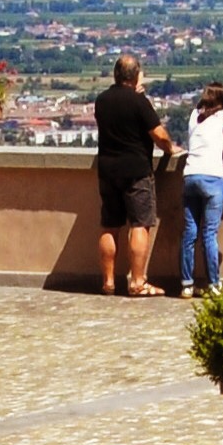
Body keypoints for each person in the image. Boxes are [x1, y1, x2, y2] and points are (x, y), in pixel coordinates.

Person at [92, 55, 166, 297]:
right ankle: (137, 281)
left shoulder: (101, 101)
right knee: (140, 224)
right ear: (135, 76)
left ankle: (108, 282)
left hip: (107, 169)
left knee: (110, 226)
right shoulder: (138, 102)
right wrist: (171, 148)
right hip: (136, 170)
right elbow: (160, 135)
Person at [177, 83, 223, 297]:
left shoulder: (195, 115)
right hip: (213, 178)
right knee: (209, 233)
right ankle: (213, 284)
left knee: (190, 233)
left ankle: (186, 284)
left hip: (190, 175)